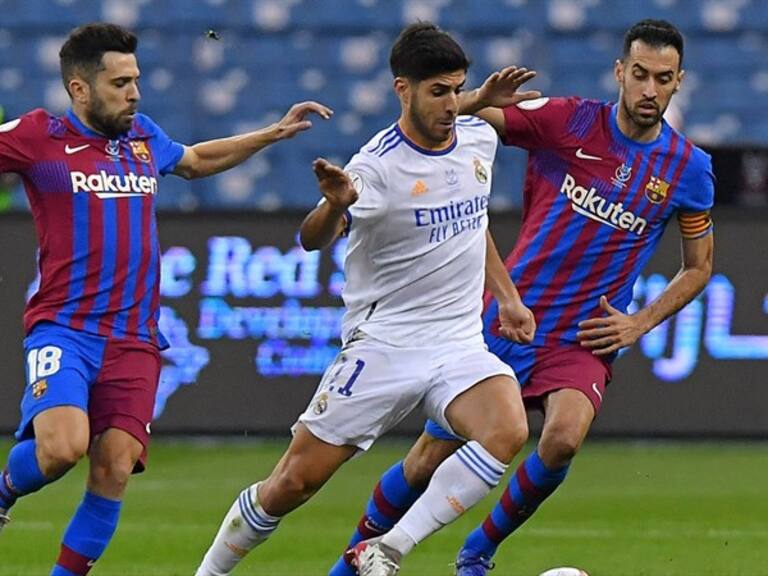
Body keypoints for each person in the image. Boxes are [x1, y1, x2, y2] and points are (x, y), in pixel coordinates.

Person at [329, 18, 715, 576]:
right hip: (513, 317)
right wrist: (478, 98)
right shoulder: (568, 119)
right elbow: (450, 117)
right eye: (639, 75)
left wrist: (639, 324)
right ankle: (349, 564)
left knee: (561, 439)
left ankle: (478, 551)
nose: (649, 90)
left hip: (585, 334)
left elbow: (699, 268)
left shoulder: (690, 170)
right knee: (426, 459)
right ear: (619, 73)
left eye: (663, 78)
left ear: (679, 82)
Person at [194, 22, 540, 576]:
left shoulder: (478, 137)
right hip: (383, 345)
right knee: (292, 484)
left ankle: (390, 548)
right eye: (438, 92)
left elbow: (472, 228)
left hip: (457, 342)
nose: (452, 104)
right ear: (402, 90)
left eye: (458, 89)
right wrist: (334, 205)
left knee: (508, 428)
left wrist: (508, 297)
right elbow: (310, 239)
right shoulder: (374, 168)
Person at [0, 22, 331, 576]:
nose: (134, 93)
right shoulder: (40, 137)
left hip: (135, 339)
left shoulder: (143, 137)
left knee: (114, 468)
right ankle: (5, 489)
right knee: (61, 449)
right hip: (67, 327)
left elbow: (196, 161)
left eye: (136, 80)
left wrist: (271, 134)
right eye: (120, 83)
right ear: (79, 89)